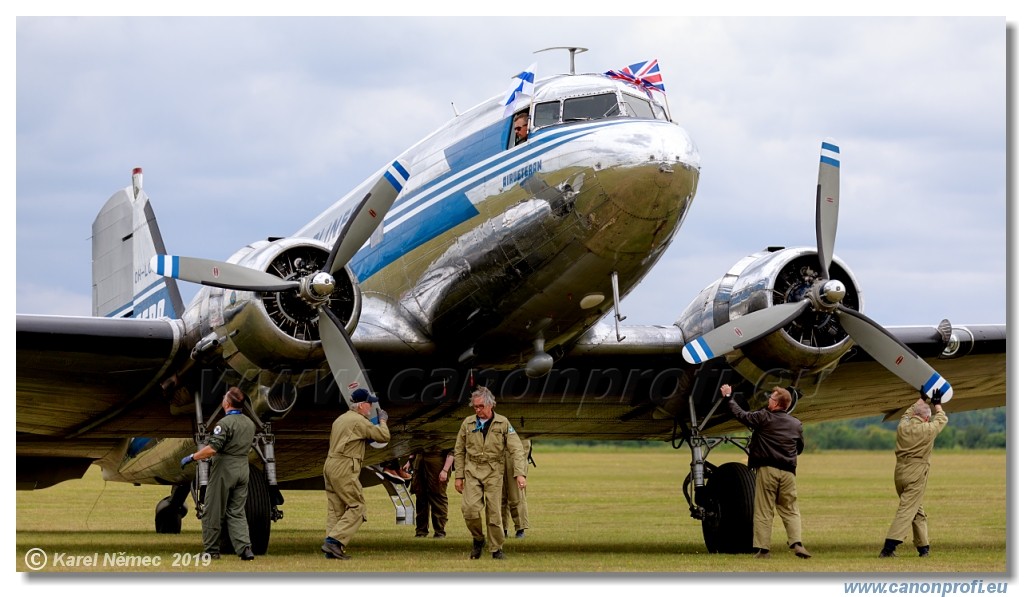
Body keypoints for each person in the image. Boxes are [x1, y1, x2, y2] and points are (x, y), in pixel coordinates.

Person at [720, 384, 812, 559]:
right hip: (788, 473)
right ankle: (797, 543)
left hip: (767, 469)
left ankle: (763, 550)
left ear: (776, 404)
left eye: (771, 398)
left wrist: (728, 397)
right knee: (790, 508)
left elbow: (741, 415)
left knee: (764, 510)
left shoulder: (763, 417)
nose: (768, 399)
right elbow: (799, 448)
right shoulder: (796, 424)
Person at [179, 386, 257, 561]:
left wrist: (192, 457)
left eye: (224, 398)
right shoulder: (249, 423)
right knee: (237, 511)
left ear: (227, 403)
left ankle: (211, 550)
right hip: (243, 468)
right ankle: (245, 548)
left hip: (225, 468)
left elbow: (212, 449)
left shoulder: (224, 424)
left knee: (213, 510)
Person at [454, 386, 527, 560]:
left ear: (490, 405)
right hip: (472, 470)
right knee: (469, 509)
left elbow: (517, 449)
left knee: (494, 512)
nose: (477, 410)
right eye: (475, 407)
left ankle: (496, 548)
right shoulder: (467, 423)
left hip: (494, 471)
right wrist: (459, 476)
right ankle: (478, 539)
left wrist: (520, 473)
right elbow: (459, 450)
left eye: (480, 406)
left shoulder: (503, 423)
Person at [321, 388, 391, 560]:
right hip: (344, 467)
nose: (370, 407)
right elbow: (384, 436)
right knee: (358, 507)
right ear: (361, 406)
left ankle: (332, 550)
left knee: (336, 509)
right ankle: (333, 541)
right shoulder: (359, 421)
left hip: (330, 465)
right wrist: (382, 421)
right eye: (369, 403)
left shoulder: (341, 419)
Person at [879, 389, 948, 558]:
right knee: (906, 510)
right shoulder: (928, 429)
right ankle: (889, 548)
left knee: (917, 510)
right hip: (916, 473)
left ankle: (923, 548)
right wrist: (937, 404)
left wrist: (922, 399)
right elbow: (942, 419)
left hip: (899, 473)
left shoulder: (902, 426)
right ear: (926, 418)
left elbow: (907, 413)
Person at [411, 448, 453, 538]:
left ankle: (439, 531)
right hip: (420, 462)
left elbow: (452, 452)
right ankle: (421, 531)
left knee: (438, 498)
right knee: (421, 498)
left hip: (437, 463)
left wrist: (445, 470)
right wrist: (410, 461)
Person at [502, 437, 532, 539]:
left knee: (516, 493)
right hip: (498, 449)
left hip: (517, 447)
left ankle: (520, 527)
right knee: (498, 494)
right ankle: (501, 528)